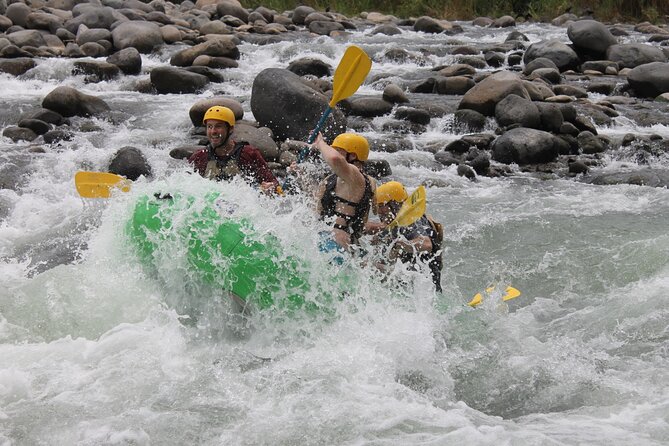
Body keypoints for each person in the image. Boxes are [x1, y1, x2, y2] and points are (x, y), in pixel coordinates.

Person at [367, 181, 444, 292]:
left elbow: (427, 244)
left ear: (395, 204)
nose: (379, 211)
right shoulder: (396, 223)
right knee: (369, 265)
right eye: (377, 206)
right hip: (410, 287)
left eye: (382, 206)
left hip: (425, 292)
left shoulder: (412, 220)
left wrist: (399, 245)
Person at [188, 106, 280, 193]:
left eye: (218, 126)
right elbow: (184, 186)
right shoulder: (199, 157)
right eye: (210, 127)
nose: (213, 131)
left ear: (231, 129)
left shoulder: (248, 153)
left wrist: (271, 187)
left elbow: (276, 186)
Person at [313, 132, 376, 251]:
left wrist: (320, 142)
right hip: (334, 242)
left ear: (352, 156)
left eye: (337, 150)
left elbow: (334, 158)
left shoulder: (356, 176)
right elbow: (316, 204)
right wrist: (299, 175)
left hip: (334, 245)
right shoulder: (340, 178)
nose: (333, 152)